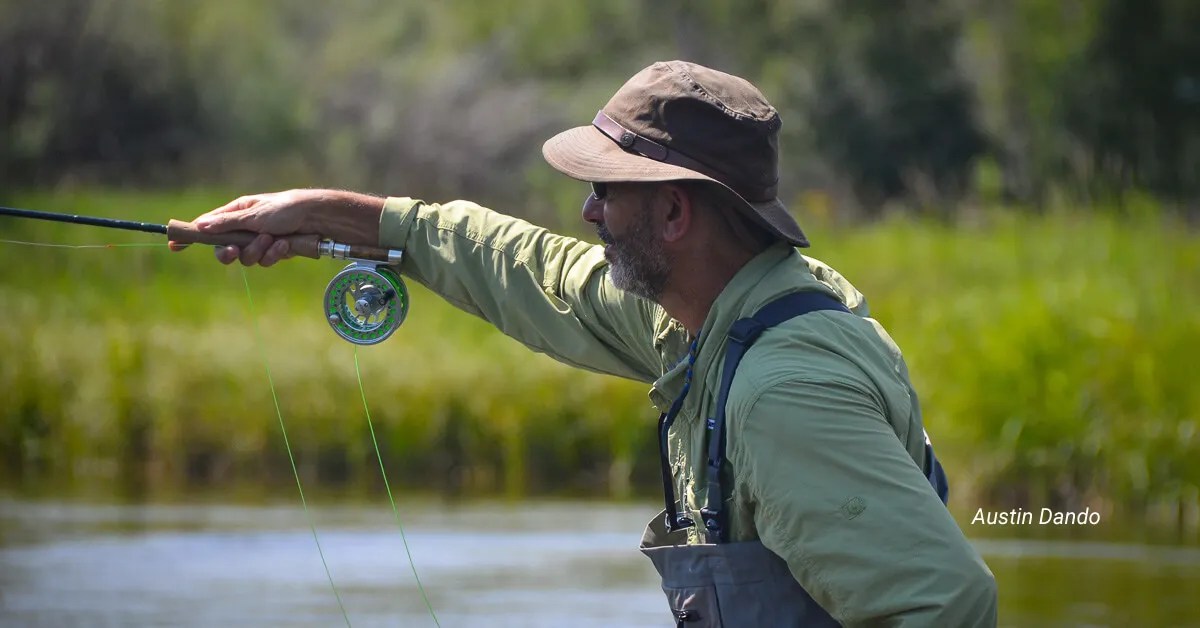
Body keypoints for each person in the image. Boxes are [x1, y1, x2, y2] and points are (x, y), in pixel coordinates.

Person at [176, 61, 997, 626]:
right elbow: (531, 270)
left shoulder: (784, 391)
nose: (589, 213)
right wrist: (326, 216)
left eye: (606, 189)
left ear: (673, 213)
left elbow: (944, 607)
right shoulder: (706, 313)